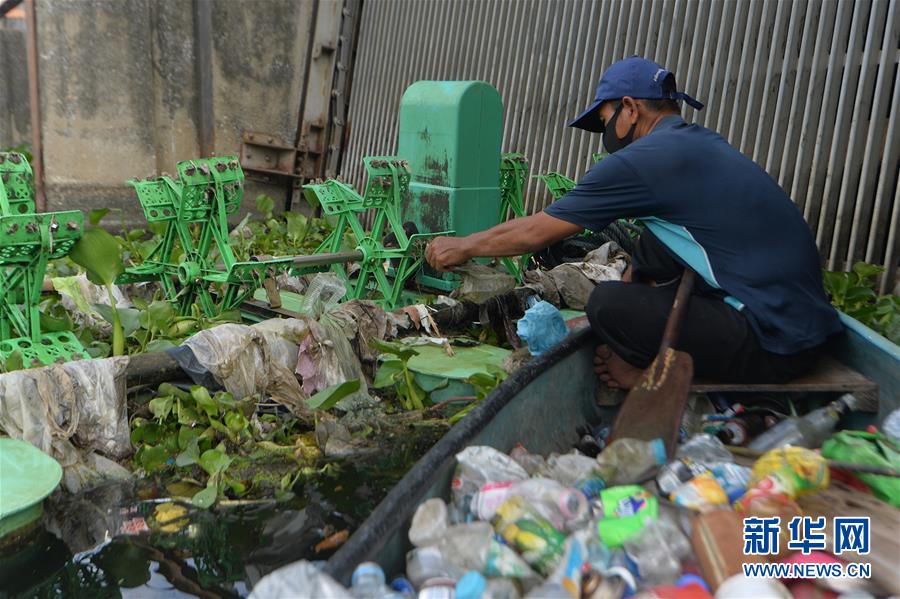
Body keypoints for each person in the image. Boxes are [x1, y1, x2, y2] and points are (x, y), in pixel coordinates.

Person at [425, 55, 842, 389]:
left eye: (605, 122)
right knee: (652, 253)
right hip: (808, 328)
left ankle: (649, 378)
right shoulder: (699, 146)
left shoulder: (643, 162)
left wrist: (464, 245)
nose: (606, 135)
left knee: (609, 305)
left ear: (630, 108)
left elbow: (537, 230)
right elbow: (660, 252)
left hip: (774, 342)